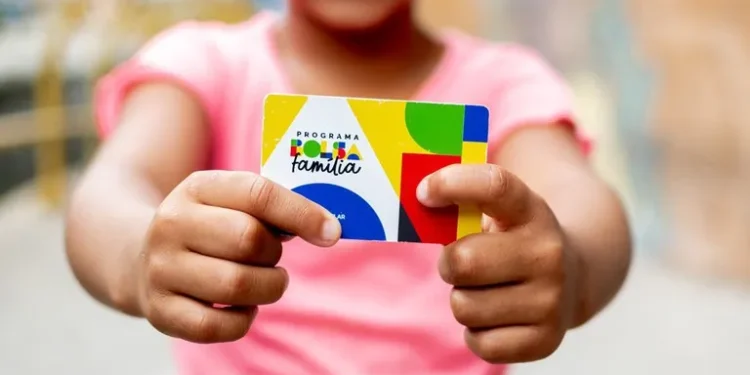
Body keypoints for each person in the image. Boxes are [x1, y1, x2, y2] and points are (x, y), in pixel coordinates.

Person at [65, 1, 631, 374]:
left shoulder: (506, 83)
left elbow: (582, 200)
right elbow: (111, 190)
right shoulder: (204, 62)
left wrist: (574, 265)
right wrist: (139, 255)